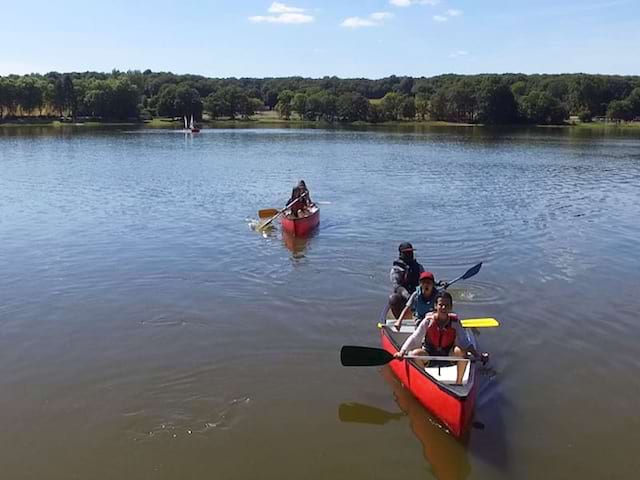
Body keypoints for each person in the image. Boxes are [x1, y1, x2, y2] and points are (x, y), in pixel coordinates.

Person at [393, 292, 483, 385]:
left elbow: (465, 342)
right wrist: (402, 352)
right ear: (436, 306)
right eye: (441, 305)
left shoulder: (455, 323)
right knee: (415, 354)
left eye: (446, 305)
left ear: (451, 307)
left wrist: (477, 355)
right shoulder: (427, 321)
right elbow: (415, 338)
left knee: (461, 351)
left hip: (448, 356)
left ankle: (459, 383)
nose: (443, 308)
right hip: (430, 355)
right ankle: (426, 381)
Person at [389, 242, 424, 319]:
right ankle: (399, 320)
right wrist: (407, 296)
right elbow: (397, 286)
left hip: (417, 294)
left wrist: (438, 283)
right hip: (403, 297)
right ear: (401, 254)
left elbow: (425, 279)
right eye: (407, 252)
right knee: (393, 298)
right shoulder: (396, 269)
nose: (410, 254)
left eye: (411, 252)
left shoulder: (418, 267)